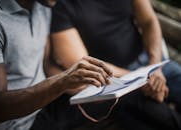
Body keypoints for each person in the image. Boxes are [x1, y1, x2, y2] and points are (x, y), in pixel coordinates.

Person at [48, 0, 181, 129]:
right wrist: (141, 78)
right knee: (164, 118)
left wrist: (155, 67)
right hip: (115, 80)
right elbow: (81, 62)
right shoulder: (62, 5)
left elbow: (149, 21)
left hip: (152, 61)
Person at [0, 0, 114, 130]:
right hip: (17, 125)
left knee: (124, 100)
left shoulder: (43, 6)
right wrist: (63, 81)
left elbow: (46, 65)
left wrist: (85, 88)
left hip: (45, 107)